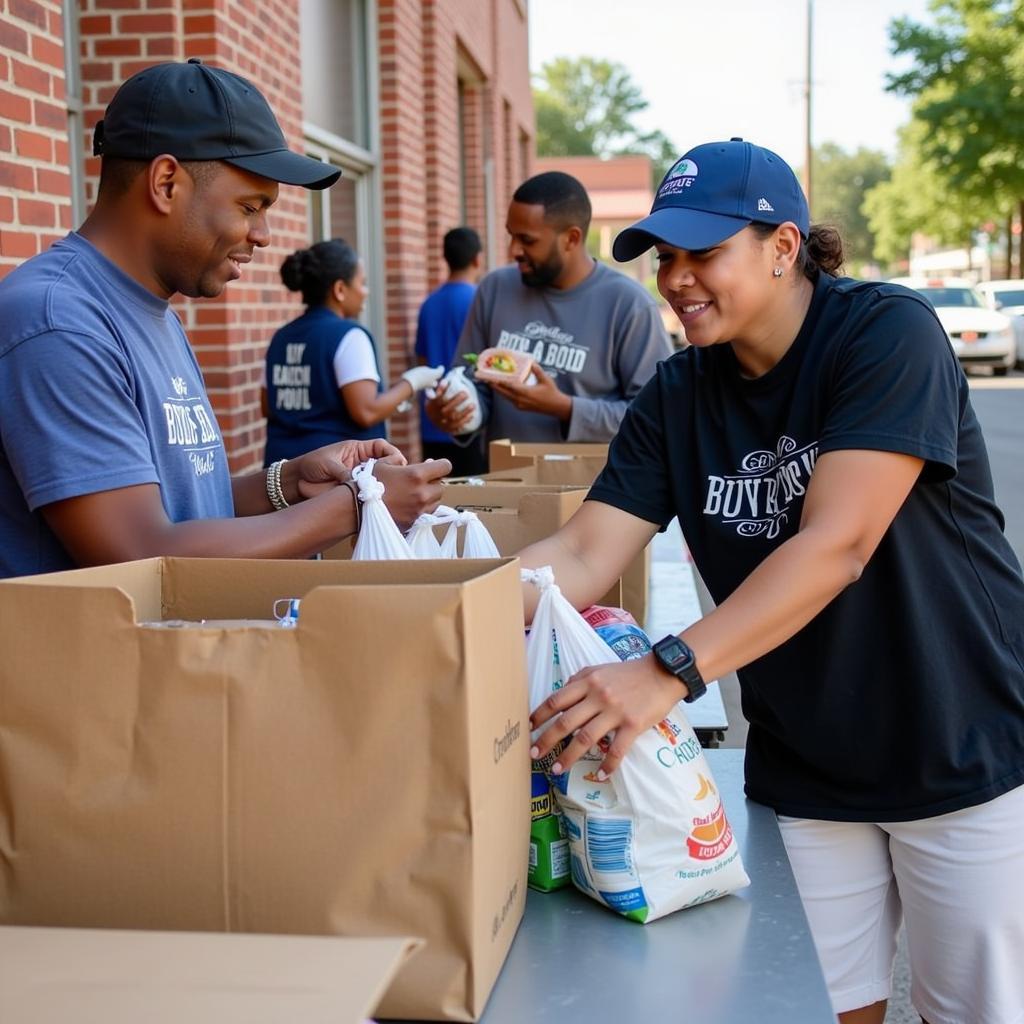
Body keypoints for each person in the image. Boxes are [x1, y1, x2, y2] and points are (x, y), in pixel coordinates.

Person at [521, 140, 1024, 1024]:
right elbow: (583, 555)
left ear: (784, 246)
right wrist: (431, 594)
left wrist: (666, 669)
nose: (676, 279)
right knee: (814, 1008)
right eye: (664, 258)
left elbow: (838, 543)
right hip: (806, 760)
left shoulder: (883, 334)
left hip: (958, 740)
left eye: (702, 253)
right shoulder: (678, 393)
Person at [0, 59, 448, 580]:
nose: (263, 234)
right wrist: (359, 505)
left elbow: (184, 510)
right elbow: (139, 553)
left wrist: (288, 482)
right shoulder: (58, 321)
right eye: (250, 205)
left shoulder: (151, 311)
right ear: (166, 182)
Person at [426, 172, 673, 456]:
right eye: (511, 236)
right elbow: (471, 383)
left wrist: (564, 408)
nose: (513, 250)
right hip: (503, 483)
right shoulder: (494, 289)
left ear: (571, 238)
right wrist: (455, 411)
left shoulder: (629, 305)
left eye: (527, 240)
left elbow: (654, 415)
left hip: (595, 490)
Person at [262, 238, 441, 465]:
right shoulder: (349, 336)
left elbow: (268, 406)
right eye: (362, 283)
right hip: (332, 478)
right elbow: (366, 412)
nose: (365, 292)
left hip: (280, 475)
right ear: (339, 289)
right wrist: (411, 383)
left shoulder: (281, 337)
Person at [415, 226, 486, 476]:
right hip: (472, 420)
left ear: (446, 259)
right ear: (478, 258)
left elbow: (422, 361)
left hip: (434, 423)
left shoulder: (429, 304)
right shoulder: (481, 301)